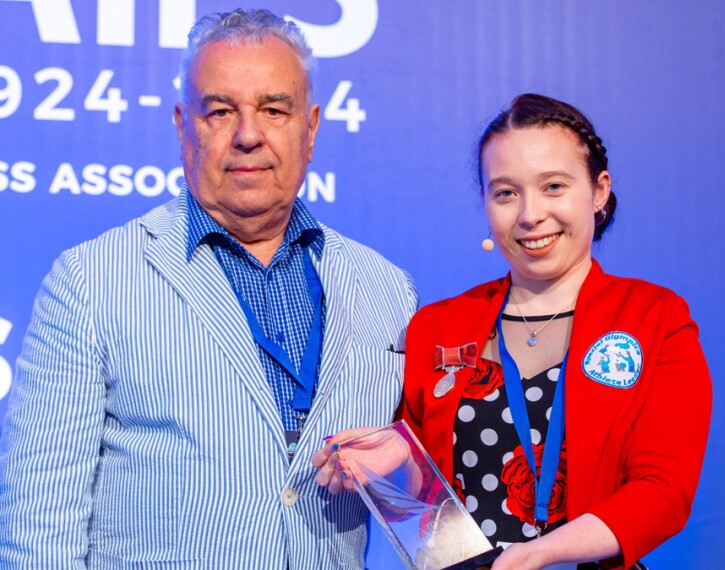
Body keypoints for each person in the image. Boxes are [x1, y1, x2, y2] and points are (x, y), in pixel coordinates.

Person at [0, 9, 417, 569]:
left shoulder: (386, 289)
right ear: (182, 127)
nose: (248, 135)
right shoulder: (91, 281)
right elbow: (38, 525)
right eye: (220, 111)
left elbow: (420, 505)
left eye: (274, 109)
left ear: (311, 128)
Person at [313, 94, 712, 569]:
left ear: (599, 191)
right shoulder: (438, 325)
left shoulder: (654, 318)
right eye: (505, 192)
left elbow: (663, 491)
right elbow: (425, 487)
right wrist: (393, 452)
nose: (529, 214)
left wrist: (542, 553)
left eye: (554, 186)